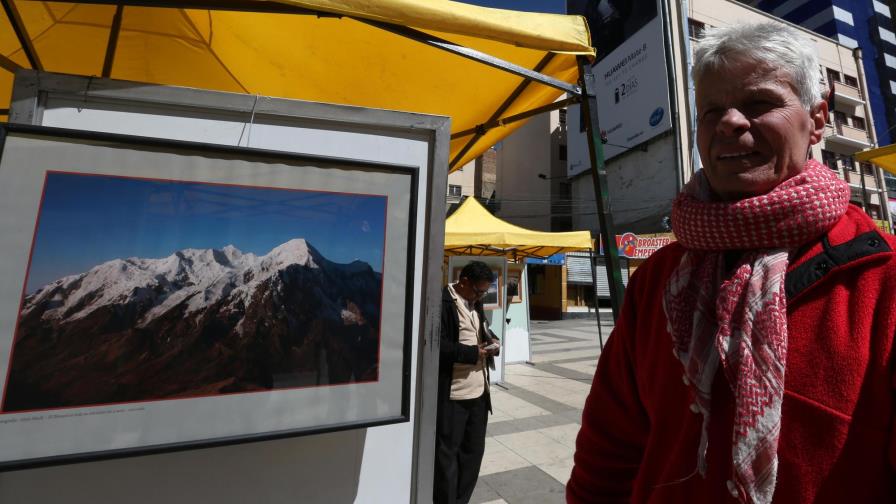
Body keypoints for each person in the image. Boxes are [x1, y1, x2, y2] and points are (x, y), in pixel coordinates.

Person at [567, 22, 896, 504]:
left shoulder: (882, 281)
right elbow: (609, 450)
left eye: (760, 103)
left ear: (818, 119)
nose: (729, 123)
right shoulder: (657, 279)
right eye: (712, 111)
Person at [434, 261, 500, 504]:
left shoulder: (475, 302)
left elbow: (482, 331)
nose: (481, 296)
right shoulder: (441, 302)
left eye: (483, 292)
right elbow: (436, 346)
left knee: (473, 454)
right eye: (479, 291)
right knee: (447, 457)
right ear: (463, 282)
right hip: (454, 395)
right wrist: (474, 354)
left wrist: (493, 342)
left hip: (479, 394)